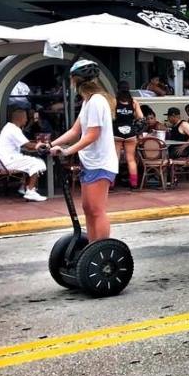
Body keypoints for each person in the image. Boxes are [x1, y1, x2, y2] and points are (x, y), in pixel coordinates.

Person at [49, 60, 118, 241]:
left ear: (75, 80)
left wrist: (67, 151)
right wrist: (50, 145)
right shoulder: (88, 101)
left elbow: (93, 135)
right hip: (90, 162)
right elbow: (75, 131)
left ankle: (100, 249)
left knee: (96, 210)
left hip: (101, 163)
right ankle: (91, 248)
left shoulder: (96, 101)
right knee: (88, 209)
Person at [0, 107, 47, 202]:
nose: (27, 120)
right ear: (20, 118)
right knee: (37, 163)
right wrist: (40, 145)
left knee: (31, 162)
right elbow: (28, 146)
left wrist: (34, 145)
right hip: (7, 162)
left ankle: (23, 188)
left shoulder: (9, 127)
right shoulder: (13, 129)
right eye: (26, 118)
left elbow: (23, 144)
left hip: (4, 161)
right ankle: (30, 191)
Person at [113, 81, 144, 189]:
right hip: (130, 133)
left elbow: (111, 117)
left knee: (115, 158)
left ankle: (112, 184)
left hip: (116, 133)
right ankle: (134, 184)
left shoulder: (114, 101)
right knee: (130, 159)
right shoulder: (134, 102)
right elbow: (140, 117)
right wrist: (132, 116)